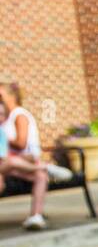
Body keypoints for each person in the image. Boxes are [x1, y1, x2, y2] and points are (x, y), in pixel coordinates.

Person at [0, 82, 51, 229]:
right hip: (10, 162)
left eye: (0, 95)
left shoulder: (19, 115)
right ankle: (45, 167)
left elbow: (21, 144)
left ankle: (36, 216)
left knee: (41, 176)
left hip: (19, 160)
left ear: (12, 96)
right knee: (34, 169)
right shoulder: (5, 118)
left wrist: (6, 140)